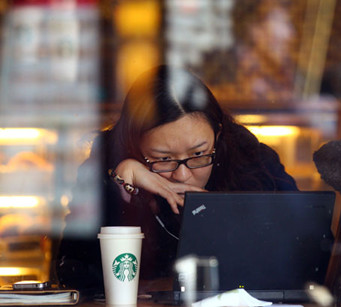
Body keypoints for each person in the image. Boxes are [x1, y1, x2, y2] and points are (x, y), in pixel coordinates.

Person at [56, 65, 298, 295]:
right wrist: (122, 182)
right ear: (134, 145)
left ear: (218, 134)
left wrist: (227, 215)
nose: (182, 175)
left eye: (198, 154)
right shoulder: (107, 166)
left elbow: (306, 244)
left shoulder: (251, 160)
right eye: (163, 159)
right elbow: (73, 271)